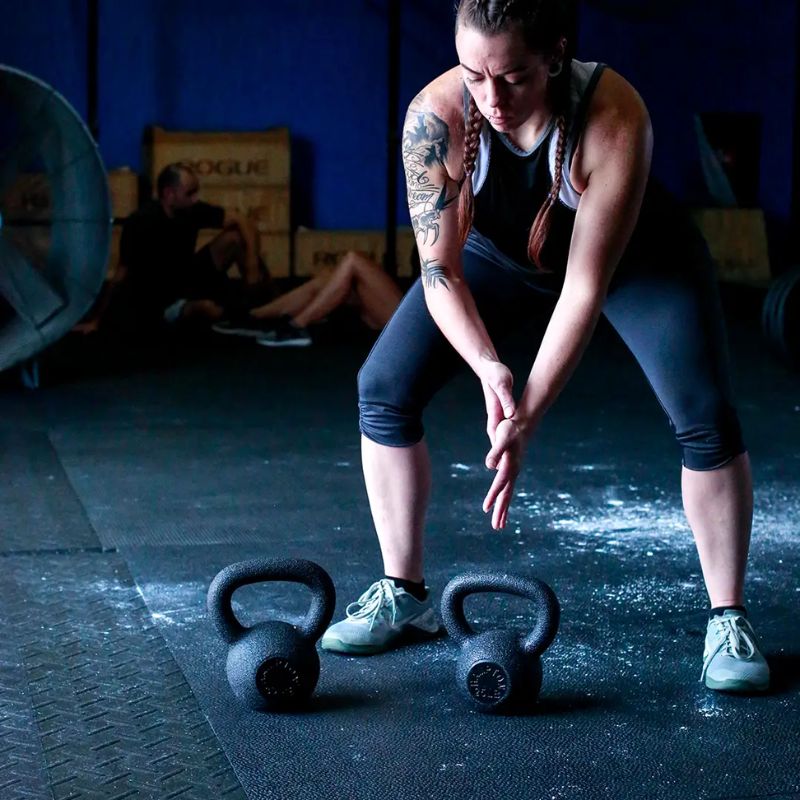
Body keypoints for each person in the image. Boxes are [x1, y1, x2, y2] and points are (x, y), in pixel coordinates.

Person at [320, 0, 770, 694]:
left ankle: (728, 618)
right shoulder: (432, 120)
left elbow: (582, 291)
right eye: (474, 76)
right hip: (500, 259)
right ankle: (403, 593)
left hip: (634, 259)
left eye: (514, 77)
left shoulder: (615, 115)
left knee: (705, 412)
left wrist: (525, 414)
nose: (491, 98)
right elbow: (441, 276)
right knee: (382, 386)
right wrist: (489, 365)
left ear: (556, 56)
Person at [73, 162, 272, 338]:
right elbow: (121, 274)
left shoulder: (191, 210)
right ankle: (247, 314)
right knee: (208, 309)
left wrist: (252, 264)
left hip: (188, 277)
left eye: (196, 192)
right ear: (169, 194)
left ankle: (262, 305)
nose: (195, 198)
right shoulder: (141, 222)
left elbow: (241, 220)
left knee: (235, 238)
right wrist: (97, 319)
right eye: (190, 193)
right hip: (162, 301)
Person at [212, 249, 404, 347]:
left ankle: (297, 326)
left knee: (354, 260)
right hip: (413, 307)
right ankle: (254, 317)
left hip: (418, 323)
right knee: (328, 276)